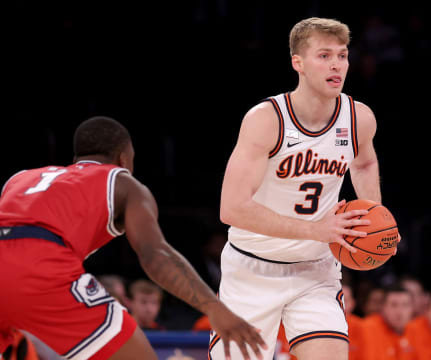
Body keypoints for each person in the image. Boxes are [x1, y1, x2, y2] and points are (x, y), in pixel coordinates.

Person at [0, 116, 265, 360]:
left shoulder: (20, 178)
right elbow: (156, 256)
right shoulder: (122, 181)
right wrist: (214, 308)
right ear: (124, 159)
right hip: (40, 266)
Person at [217, 16, 391, 360]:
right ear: (298, 63)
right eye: (324, 55)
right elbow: (232, 208)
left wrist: (374, 218)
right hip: (252, 269)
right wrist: (315, 229)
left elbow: (364, 161)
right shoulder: (266, 120)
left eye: (342, 55)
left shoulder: (358, 119)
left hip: (315, 269)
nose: (337, 65)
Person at [359, 284, 421, 360]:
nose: (400, 312)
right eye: (394, 305)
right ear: (383, 308)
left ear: (412, 309)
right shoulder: (366, 329)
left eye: (405, 305)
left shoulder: (417, 332)